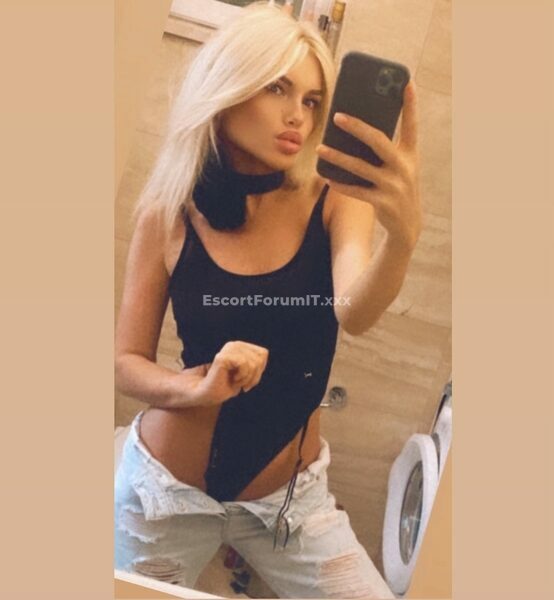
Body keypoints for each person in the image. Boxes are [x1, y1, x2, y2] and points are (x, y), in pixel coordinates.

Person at [114, 2, 421, 598]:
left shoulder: (333, 198)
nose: (298, 116)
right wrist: (193, 389)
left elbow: (354, 312)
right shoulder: (168, 210)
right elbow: (125, 361)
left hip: (289, 507)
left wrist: (403, 239)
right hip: (165, 497)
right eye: (277, 88)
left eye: (312, 100)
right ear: (228, 88)